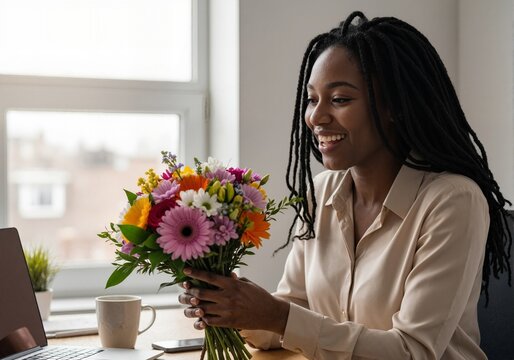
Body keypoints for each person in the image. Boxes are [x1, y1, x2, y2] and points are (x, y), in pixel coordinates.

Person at [178, 11, 512, 359]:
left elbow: (413, 351)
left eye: (339, 99)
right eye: (312, 99)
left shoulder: (452, 201)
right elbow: (292, 311)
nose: (316, 117)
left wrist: (277, 315)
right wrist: (233, 306)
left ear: (393, 107)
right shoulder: (322, 192)